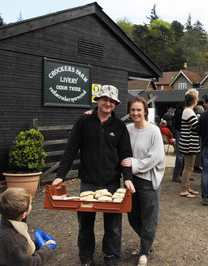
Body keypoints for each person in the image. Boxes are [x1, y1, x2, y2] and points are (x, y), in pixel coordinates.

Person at [52, 85, 135, 266]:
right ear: (97, 100)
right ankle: (86, 257)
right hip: (88, 183)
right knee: (85, 225)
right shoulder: (83, 121)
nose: (108, 103)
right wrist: (61, 175)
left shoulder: (120, 127)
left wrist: (127, 178)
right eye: (105, 99)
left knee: (113, 226)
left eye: (112, 101)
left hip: (112, 183)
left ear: (115, 104)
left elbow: (125, 155)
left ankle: (111, 256)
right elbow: (71, 150)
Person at [121, 97, 165, 266]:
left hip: (148, 181)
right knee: (132, 217)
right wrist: (92, 114)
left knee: (149, 218)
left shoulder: (154, 131)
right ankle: (147, 242)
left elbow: (156, 157)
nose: (135, 113)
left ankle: (144, 252)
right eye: (132, 110)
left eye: (139, 110)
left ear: (145, 111)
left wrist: (135, 163)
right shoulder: (127, 129)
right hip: (131, 181)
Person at [0, 187, 55, 265]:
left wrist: (37, 245)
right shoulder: (14, 241)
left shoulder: (4, 224)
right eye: (30, 204)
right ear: (23, 215)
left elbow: (19, 251)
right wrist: (46, 251)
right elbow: (30, 263)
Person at [178, 89, 200, 198]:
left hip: (189, 143)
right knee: (188, 167)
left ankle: (187, 187)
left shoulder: (187, 111)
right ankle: (184, 190)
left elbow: (194, 125)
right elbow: (196, 126)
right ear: (194, 101)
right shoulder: (189, 111)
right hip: (189, 144)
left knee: (189, 167)